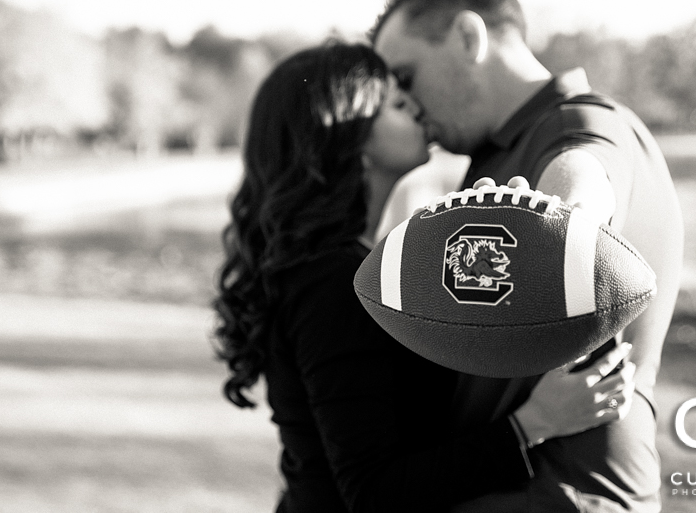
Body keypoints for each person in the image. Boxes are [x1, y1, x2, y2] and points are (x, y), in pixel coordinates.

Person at [212, 42, 637, 513]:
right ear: (351, 143)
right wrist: (534, 422)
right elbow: (373, 493)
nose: (416, 107)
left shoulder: (349, 267)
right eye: (397, 104)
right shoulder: (332, 283)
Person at [371, 0, 684, 512]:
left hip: (567, 492)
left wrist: (561, 219)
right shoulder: (491, 154)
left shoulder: (581, 120)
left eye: (405, 75)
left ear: (469, 37)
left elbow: (584, 172)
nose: (407, 102)